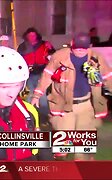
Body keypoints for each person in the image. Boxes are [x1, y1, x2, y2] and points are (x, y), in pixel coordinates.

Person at [31, 32, 112, 160]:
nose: (80, 50)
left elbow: (108, 77)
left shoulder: (96, 57)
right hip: (63, 105)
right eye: (77, 47)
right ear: (72, 44)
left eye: (83, 48)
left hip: (86, 104)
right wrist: (36, 95)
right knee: (63, 139)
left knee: (83, 142)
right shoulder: (60, 56)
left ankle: (82, 165)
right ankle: (60, 165)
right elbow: (47, 75)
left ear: (89, 46)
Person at [17, 27, 55, 127]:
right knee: (28, 96)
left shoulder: (44, 44)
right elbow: (19, 59)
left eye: (33, 35)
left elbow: (53, 56)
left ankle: (44, 118)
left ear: (36, 35)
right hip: (28, 75)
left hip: (41, 73)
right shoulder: (23, 47)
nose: (31, 37)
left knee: (42, 97)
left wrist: (50, 48)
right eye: (29, 35)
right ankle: (31, 118)